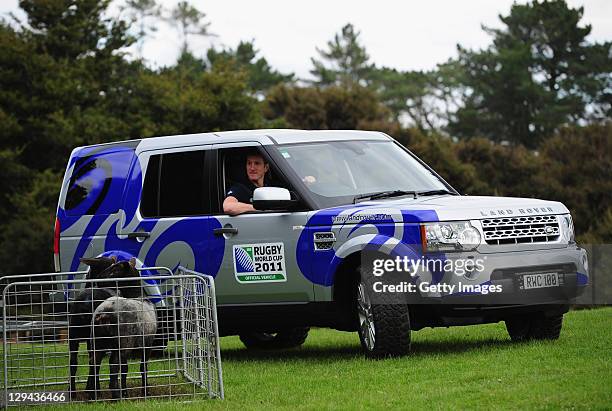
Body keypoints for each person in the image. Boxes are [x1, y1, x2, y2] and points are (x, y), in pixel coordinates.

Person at [223, 151, 270, 216]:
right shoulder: (240, 188)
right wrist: (259, 209)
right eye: (249, 163)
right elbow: (228, 207)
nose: (252, 168)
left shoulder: (270, 187)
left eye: (257, 163)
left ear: (266, 168)